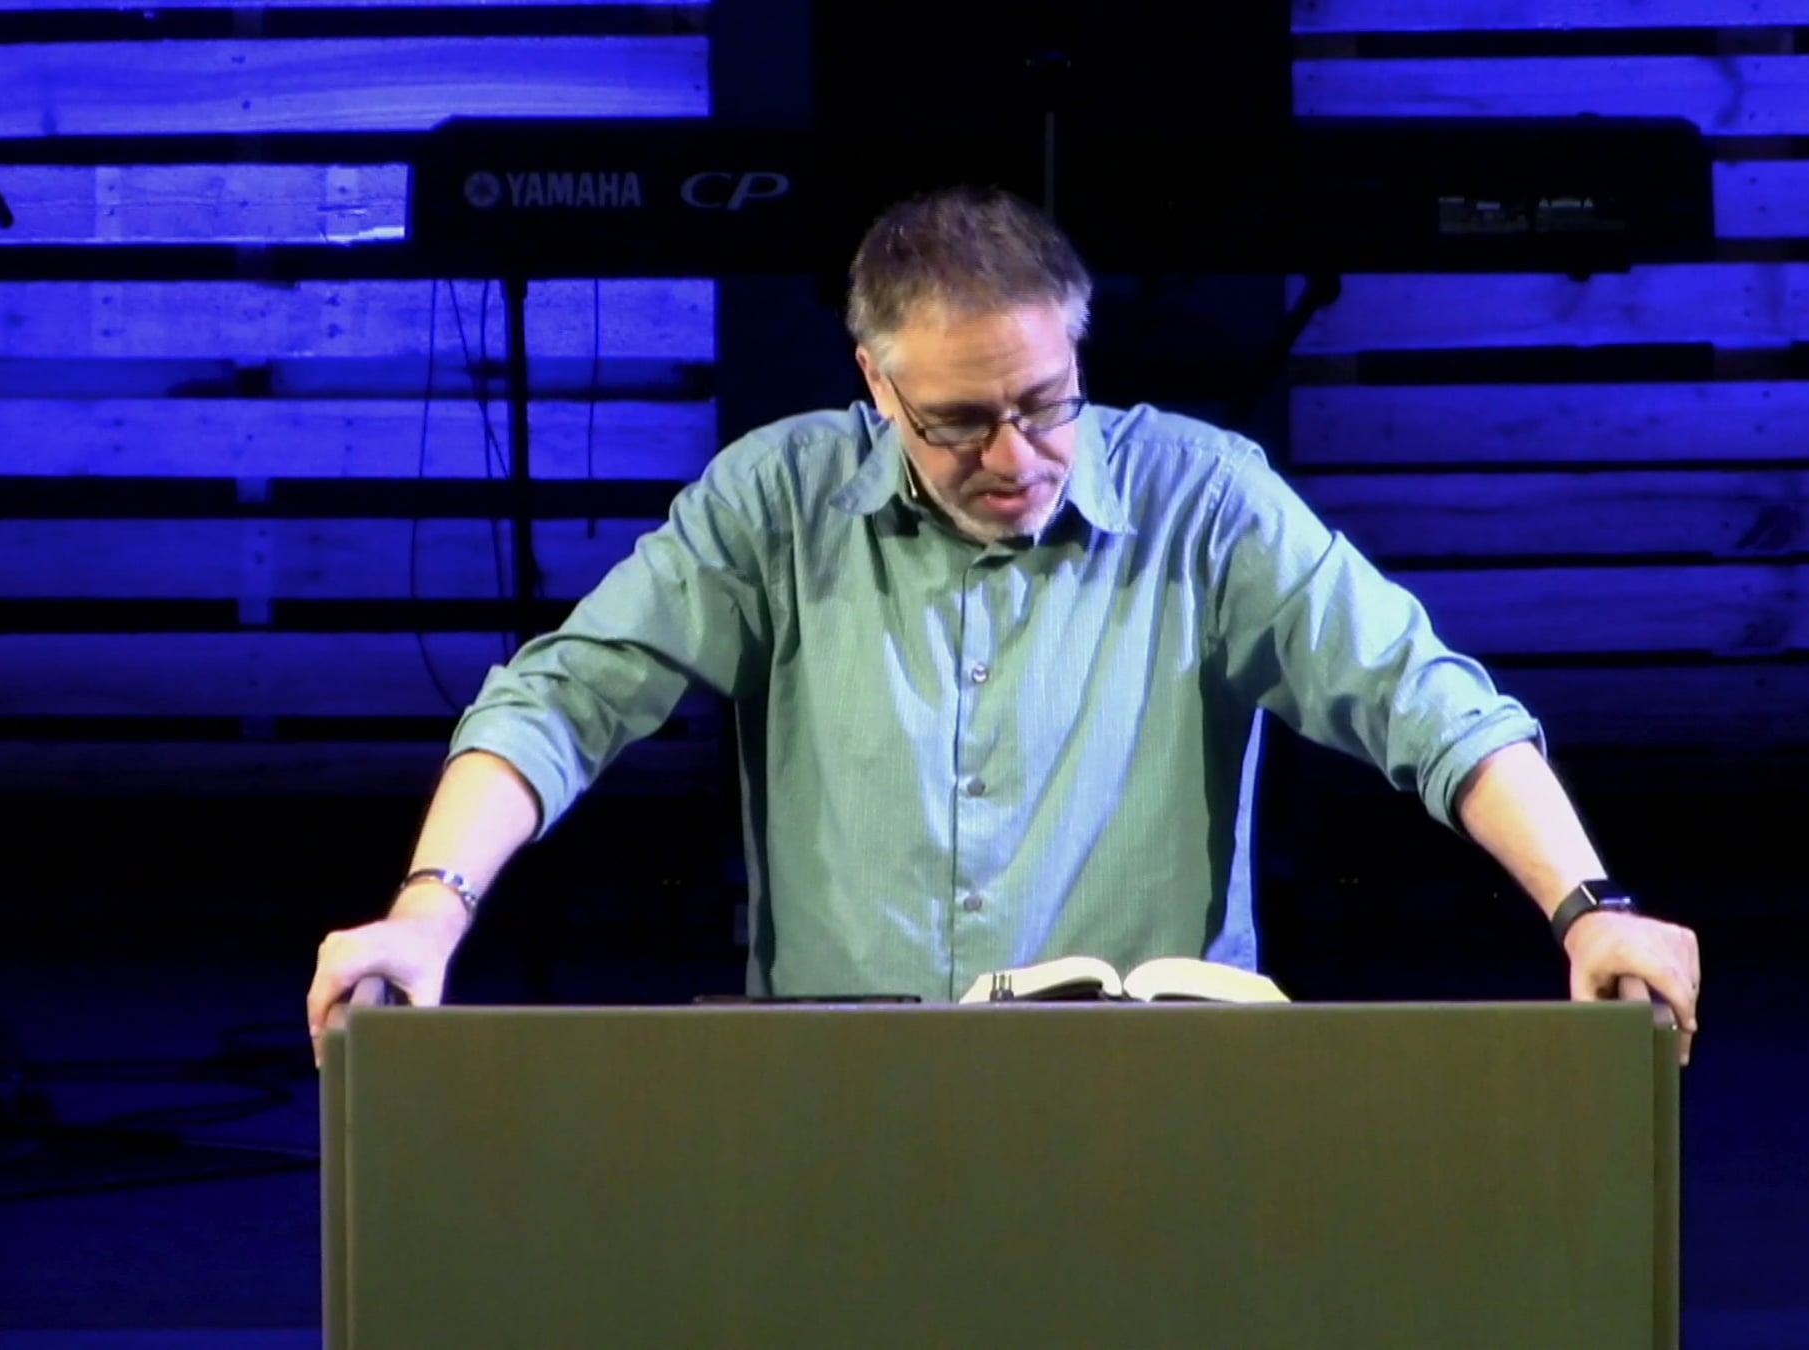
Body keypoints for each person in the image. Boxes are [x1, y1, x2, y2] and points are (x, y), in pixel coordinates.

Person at [307, 185, 1701, 1062]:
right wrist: (427, 912)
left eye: (1045, 403)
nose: (1017, 455)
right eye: (960, 421)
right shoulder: (776, 497)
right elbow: (564, 696)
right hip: (843, 1090)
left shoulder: (1207, 496)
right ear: (875, 382)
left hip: (1155, 1092)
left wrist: (1591, 907)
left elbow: (1424, 696)